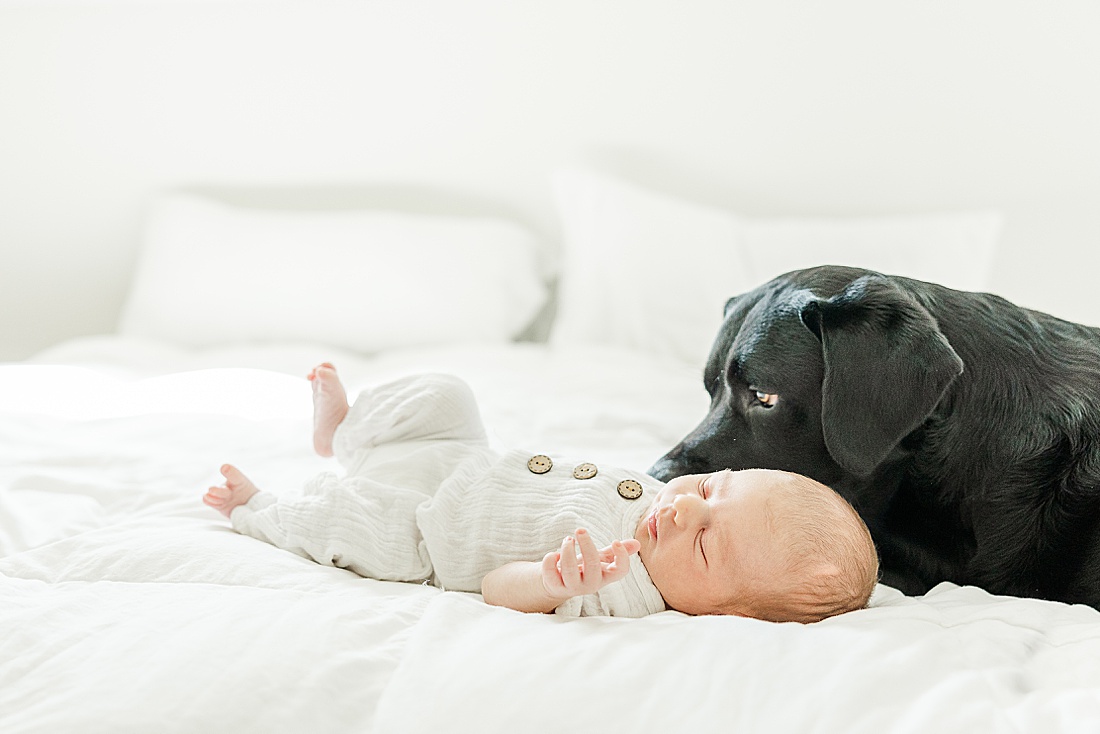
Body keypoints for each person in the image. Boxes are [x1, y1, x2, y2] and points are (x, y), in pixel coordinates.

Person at [203, 364, 879, 622]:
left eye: (703, 542)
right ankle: (346, 436)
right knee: (447, 393)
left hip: (422, 529)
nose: (684, 505)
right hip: (463, 462)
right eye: (714, 486)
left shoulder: (624, 589)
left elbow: (498, 587)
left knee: (342, 526)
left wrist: (552, 582)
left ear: (722, 612)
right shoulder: (662, 506)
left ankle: (258, 510)